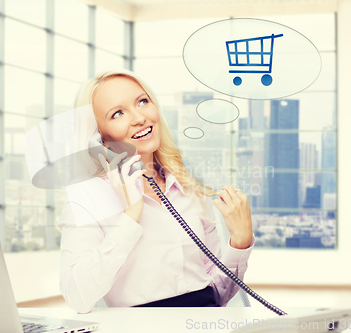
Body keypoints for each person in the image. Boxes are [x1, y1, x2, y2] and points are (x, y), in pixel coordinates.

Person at [57, 69, 254, 314]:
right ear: (99, 139)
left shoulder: (188, 190)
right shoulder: (89, 198)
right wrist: (131, 214)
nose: (139, 118)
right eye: (117, 113)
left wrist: (240, 242)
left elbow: (218, 295)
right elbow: (77, 297)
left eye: (142, 101)